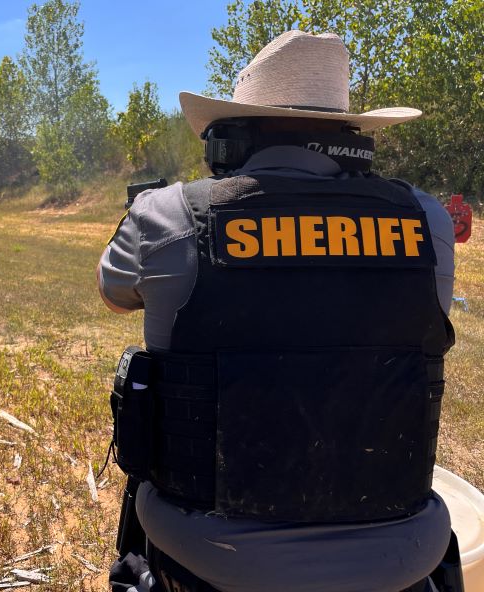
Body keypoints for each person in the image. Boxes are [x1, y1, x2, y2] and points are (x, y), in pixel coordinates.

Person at [98, 31, 457, 592]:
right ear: (350, 135)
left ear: (234, 138)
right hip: (404, 555)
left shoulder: (167, 214)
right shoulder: (427, 221)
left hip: (209, 555)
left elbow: (114, 291)